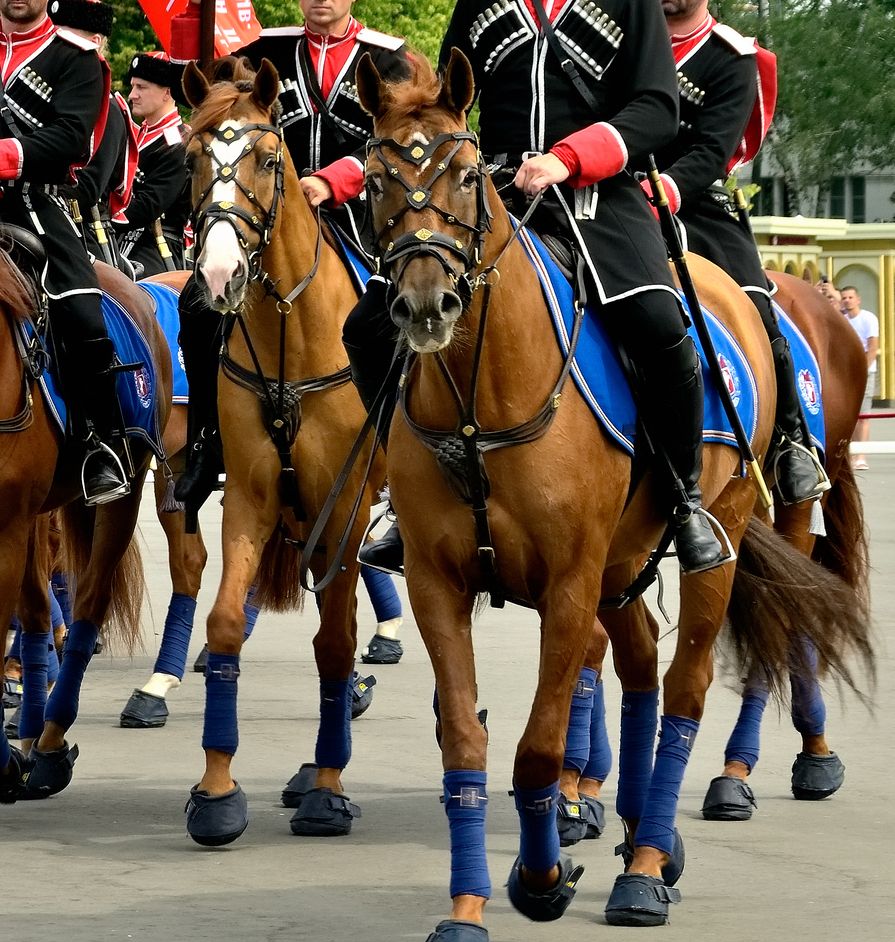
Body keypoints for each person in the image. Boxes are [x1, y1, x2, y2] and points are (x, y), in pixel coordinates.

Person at [355, 0, 731, 575]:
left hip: (598, 198)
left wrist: (569, 158)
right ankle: (402, 503)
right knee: (367, 327)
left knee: (657, 321)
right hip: (485, 196)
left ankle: (686, 500)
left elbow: (657, 108)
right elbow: (442, 97)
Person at [170, 0, 410, 520]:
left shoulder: (390, 60)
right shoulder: (263, 53)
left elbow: (397, 144)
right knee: (196, 303)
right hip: (266, 217)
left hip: (363, 220)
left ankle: (402, 460)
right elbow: (225, 117)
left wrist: (334, 180)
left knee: (401, 312)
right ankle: (206, 444)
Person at [648, 0, 825, 505]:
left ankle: (791, 441)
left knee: (753, 300)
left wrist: (662, 192)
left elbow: (712, 150)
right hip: (617, 192)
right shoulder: (624, 39)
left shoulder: (732, 57)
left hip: (697, 202)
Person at [0, 0, 130, 504]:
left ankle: (101, 442)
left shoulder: (75, 57)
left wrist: (5, 156)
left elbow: (72, 139)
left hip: (35, 204)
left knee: (82, 310)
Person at [48, 0, 139, 273]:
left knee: (82, 312)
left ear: (95, 41)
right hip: (34, 216)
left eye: (63, 38)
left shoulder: (108, 107)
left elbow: (87, 188)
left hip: (84, 232)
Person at [113, 51, 189, 276]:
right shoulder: (136, 135)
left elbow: (149, 204)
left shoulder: (180, 142)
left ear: (167, 92)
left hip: (156, 243)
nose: (132, 95)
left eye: (141, 87)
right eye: (133, 86)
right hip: (120, 235)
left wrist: (108, 219)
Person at [841, 285, 879, 469]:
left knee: (864, 415)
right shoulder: (843, 320)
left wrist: (862, 369)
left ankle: (861, 455)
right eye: (844, 297)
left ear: (858, 299)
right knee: (851, 416)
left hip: (866, 371)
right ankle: (852, 452)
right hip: (847, 373)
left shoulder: (868, 318)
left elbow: (873, 347)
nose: (847, 300)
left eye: (850, 297)